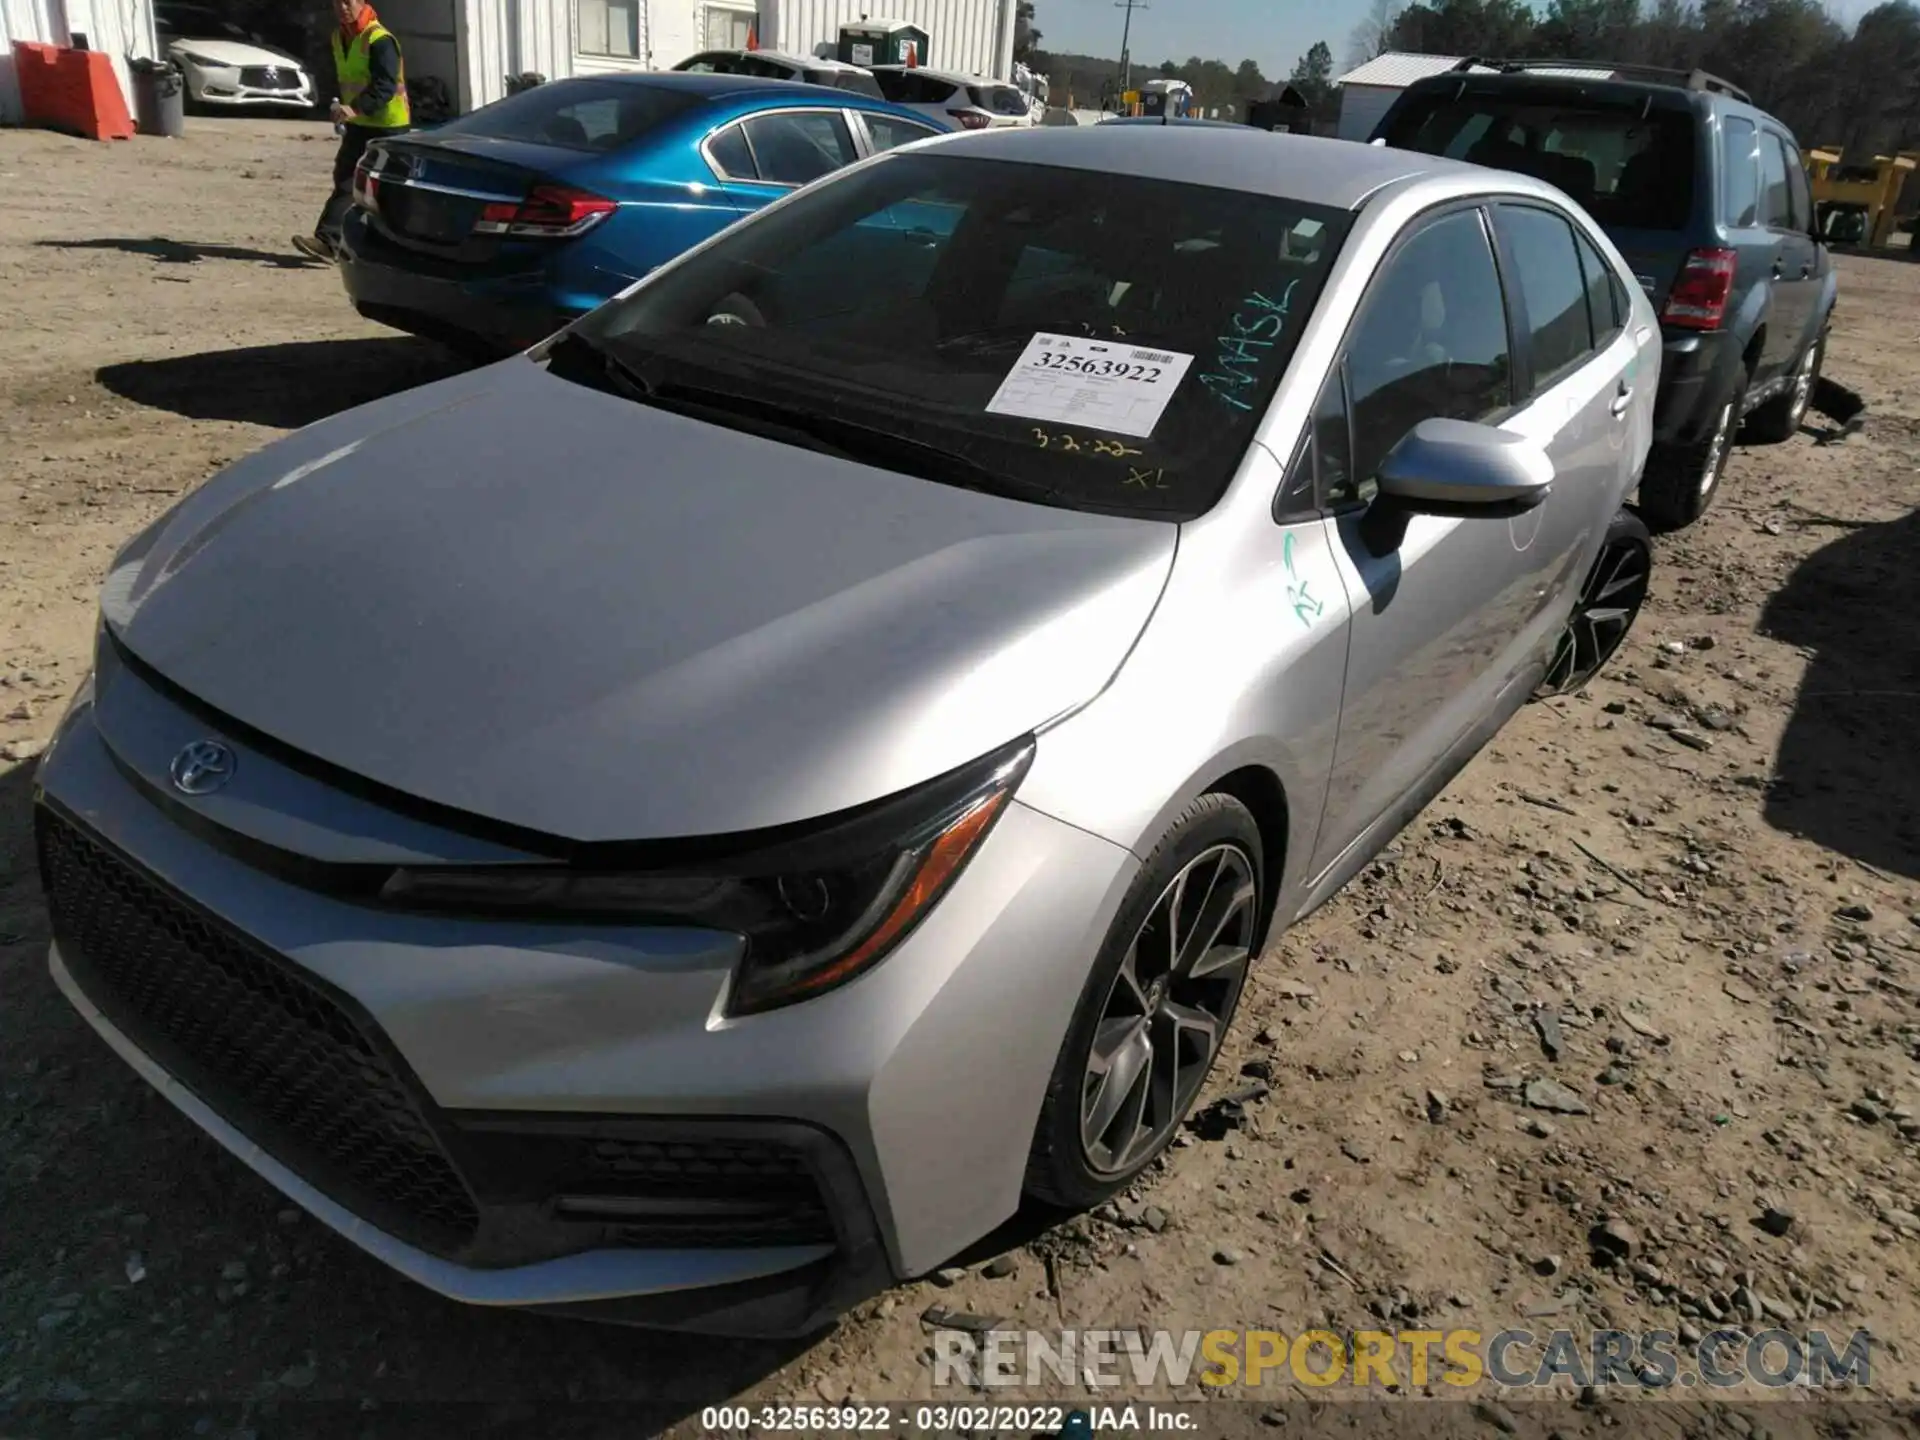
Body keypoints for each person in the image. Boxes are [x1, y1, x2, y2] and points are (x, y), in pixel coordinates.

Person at [293, 0, 410, 262]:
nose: (342, 7)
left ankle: (401, 248)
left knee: (392, 191)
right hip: (360, 124)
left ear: (362, 3)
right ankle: (329, 241)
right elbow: (347, 78)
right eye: (337, 3)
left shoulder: (380, 39)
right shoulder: (340, 37)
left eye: (348, 2)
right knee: (346, 180)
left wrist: (355, 108)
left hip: (390, 126)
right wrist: (341, 107)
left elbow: (385, 86)